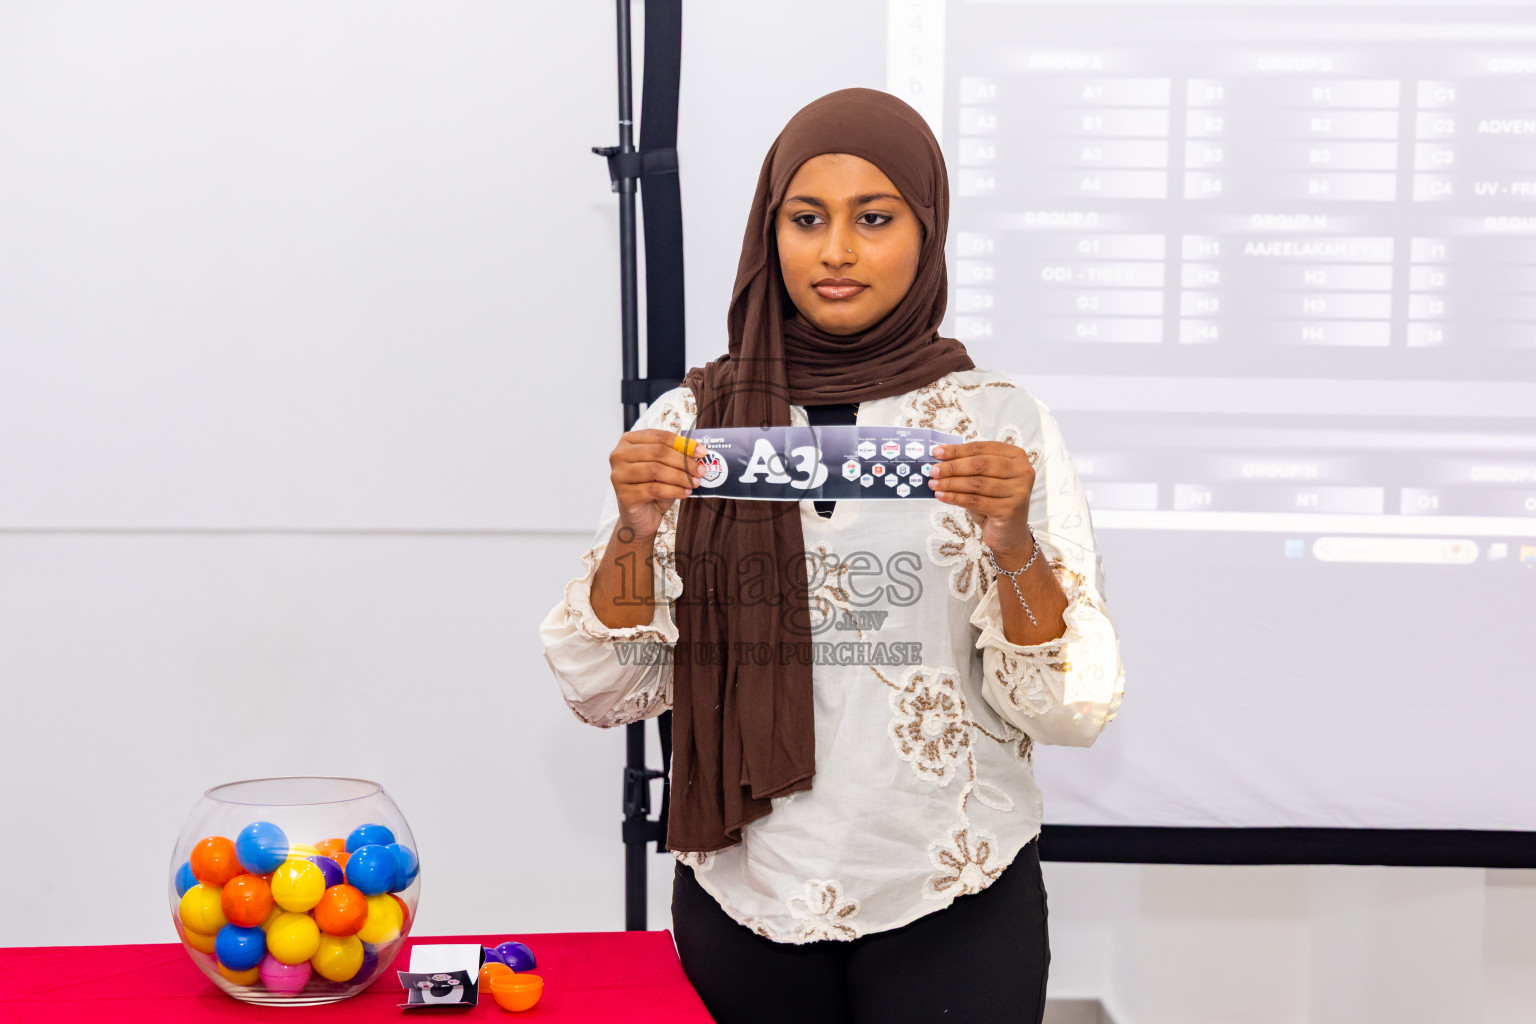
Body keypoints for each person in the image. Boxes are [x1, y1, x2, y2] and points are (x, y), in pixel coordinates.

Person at [539, 87, 1124, 1024]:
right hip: (746, 888)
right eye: (806, 219)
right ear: (770, 232)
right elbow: (608, 689)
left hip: (952, 893)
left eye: (876, 219)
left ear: (925, 233)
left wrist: (1012, 543)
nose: (838, 252)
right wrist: (634, 532)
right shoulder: (693, 423)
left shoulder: (994, 425)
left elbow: (1069, 702)